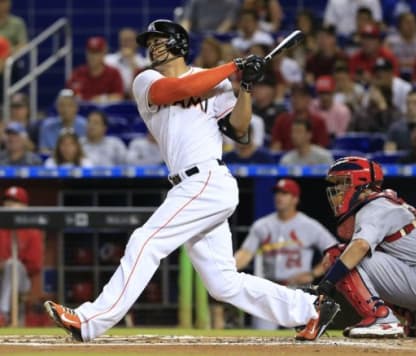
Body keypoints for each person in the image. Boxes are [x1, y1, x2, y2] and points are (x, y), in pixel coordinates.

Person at [44, 19, 339, 343]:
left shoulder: (216, 81)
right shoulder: (146, 80)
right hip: (189, 184)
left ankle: (89, 320)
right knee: (223, 283)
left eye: (160, 39)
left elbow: (239, 131)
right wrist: (233, 66)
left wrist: (246, 87)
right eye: (150, 42)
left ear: (179, 44)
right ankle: (310, 308)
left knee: (146, 241)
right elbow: (179, 90)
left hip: (208, 179)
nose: (153, 45)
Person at [313, 156, 416, 338]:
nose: (337, 190)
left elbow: (360, 246)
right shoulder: (383, 202)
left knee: (340, 255)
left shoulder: (375, 206)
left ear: (359, 183)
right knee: (350, 256)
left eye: (343, 183)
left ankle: (381, 318)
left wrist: (327, 283)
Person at [234, 178, 339, 329]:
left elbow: (334, 252)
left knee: (298, 340)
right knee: (261, 337)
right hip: (269, 290)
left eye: (285, 193)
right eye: (277, 193)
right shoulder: (262, 225)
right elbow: (245, 253)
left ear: (295, 199)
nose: (279, 197)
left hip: (297, 290)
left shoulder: (309, 226)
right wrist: (227, 269)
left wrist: (312, 274)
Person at [0, 186, 44, 326]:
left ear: (24, 206)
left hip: (22, 281)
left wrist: (9, 265)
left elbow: (35, 266)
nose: (9, 205)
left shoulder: (32, 231)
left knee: (13, 265)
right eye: (7, 201)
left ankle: (3, 313)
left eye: (14, 201)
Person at [67, 36, 124, 103]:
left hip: (106, 112)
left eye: (96, 52)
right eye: (90, 52)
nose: (93, 56)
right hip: (82, 111)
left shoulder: (113, 73)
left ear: (103, 53)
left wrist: (100, 99)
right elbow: (68, 96)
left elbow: (118, 97)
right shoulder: (78, 73)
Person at [38, 89, 87, 155]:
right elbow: (43, 150)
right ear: (57, 107)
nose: (65, 109)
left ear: (76, 107)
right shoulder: (47, 126)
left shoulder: (85, 125)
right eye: (62, 105)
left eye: (69, 105)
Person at [104, 28, 150, 99]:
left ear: (136, 43)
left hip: (136, 99)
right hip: (113, 99)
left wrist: (132, 61)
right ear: (120, 42)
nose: (127, 43)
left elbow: (143, 84)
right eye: (124, 40)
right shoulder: (108, 60)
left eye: (130, 40)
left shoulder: (144, 62)